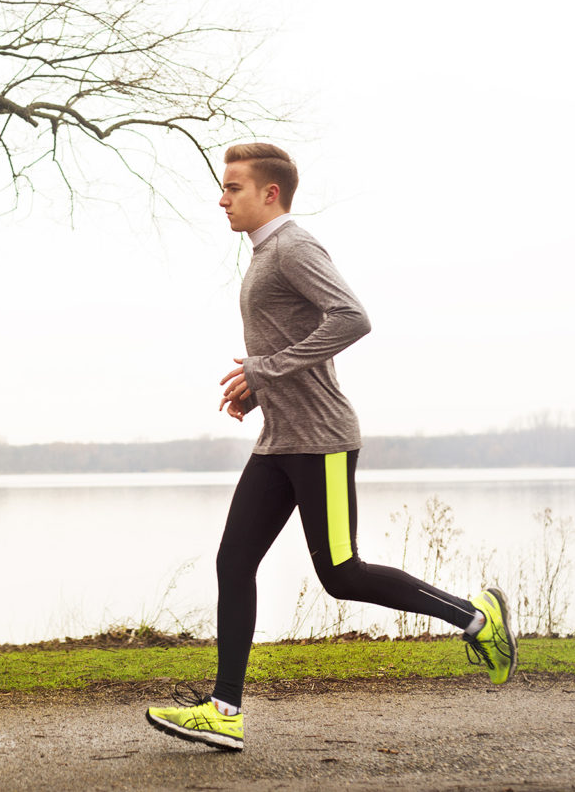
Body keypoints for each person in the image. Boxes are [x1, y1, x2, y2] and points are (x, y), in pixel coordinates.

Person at [145, 143, 516, 753]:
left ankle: (477, 617)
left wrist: (265, 371)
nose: (222, 199)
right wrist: (260, 392)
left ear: (270, 193)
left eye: (233, 187)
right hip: (279, 441)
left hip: (321, 441)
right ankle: (225, 711)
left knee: (341, 574)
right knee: (233, 563)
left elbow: (351, 317)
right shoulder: (263, 255)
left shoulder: (293, 247)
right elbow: (293, 346)